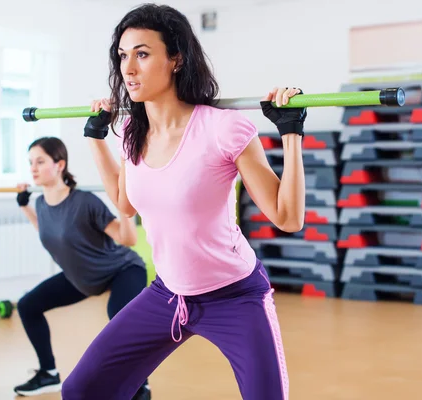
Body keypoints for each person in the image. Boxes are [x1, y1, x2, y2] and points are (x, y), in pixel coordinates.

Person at [62, 3, 306, 400]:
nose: (128, 68)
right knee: (83, 389)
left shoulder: (225, 128)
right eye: (123, 56)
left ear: (176, 58)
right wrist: (95, 139)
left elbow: (287, 217)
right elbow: (125, 204)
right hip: (168, 294)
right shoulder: (131, 133)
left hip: (235, 296)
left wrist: (291, 133)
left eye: (142, 54)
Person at [12, 136, 151, 399]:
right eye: (31, 162)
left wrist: (124, 199)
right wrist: (24, 207)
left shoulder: (85, 202)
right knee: (28, 305)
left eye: (40, 161)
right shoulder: (42, 204)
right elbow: (48, 232)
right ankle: (48, 374)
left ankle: (140, 384)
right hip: (83, 277)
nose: (33, 168)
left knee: (119, 317)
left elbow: (128, 239)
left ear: (60, 164)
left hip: (121, 269)